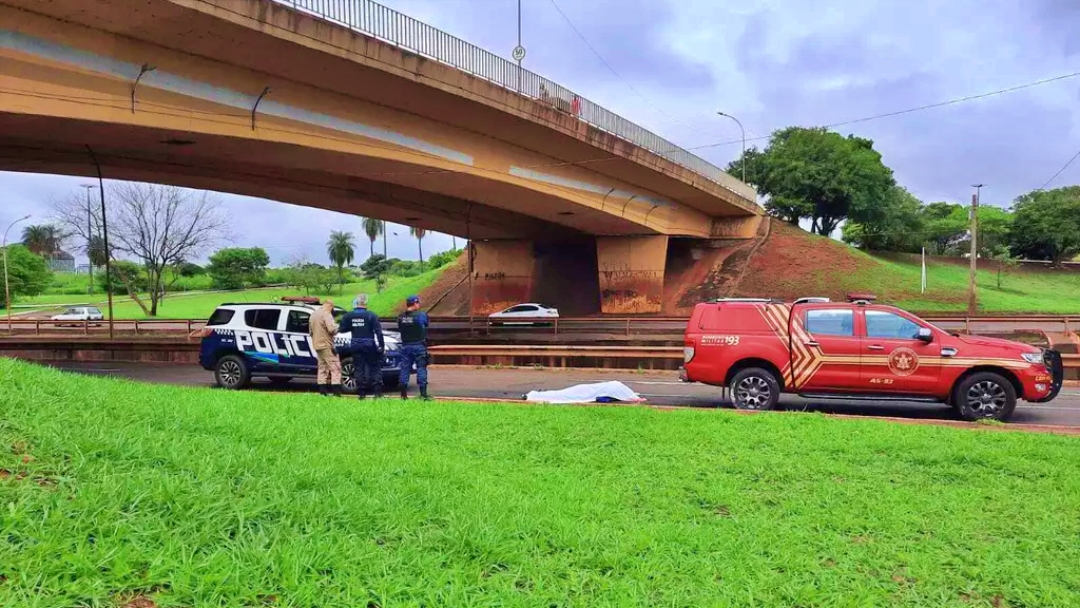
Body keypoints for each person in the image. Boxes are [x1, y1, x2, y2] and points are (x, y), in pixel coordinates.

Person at [337, 293, 385, 399]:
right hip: (369, 344)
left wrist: (354, 327)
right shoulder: (371, 315)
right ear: (366, 303)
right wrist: (381, 346)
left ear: (356, 303)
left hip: (355, 344)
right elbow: (378, 332)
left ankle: (361, 394)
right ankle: (377, 393)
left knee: (359, 369)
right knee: (374, 367)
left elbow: (342, 329)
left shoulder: (349, 316)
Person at [396, 294, 430, 400]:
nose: (419, 305)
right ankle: (423, 394)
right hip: (419, 345)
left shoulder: (401, 316)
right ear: (415, 303)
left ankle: (403, 395)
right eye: (418, 303)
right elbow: (426, 324)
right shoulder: (421, 315)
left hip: (406, 346)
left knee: (405, 369)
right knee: (421, 368)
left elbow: (400, 327)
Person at [309, 299, 342, 397]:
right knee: (335, 367)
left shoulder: (313, 315)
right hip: (327, 345)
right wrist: (339, 326)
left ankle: (322, 392)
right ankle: (337, 393)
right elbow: (332, 329)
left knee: (322, 368)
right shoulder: (327, 314)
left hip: (317, 345)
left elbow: (311, 332)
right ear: (330, 306)